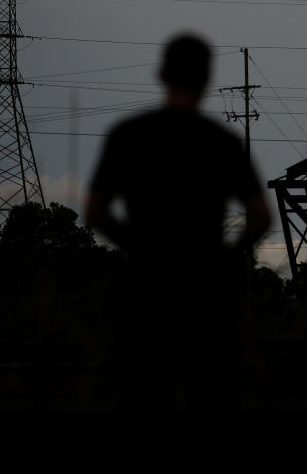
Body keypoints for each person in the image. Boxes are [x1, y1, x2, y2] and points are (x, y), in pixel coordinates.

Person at [85, 32, 271, 413]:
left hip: (146, 295)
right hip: (206, 300)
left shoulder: (128, 136)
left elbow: (95, 212)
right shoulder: (222, 141)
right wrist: (224, 257)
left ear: (161, 73)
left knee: (145, 399)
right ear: (206, 79)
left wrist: (138, 245)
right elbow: (261, 216)